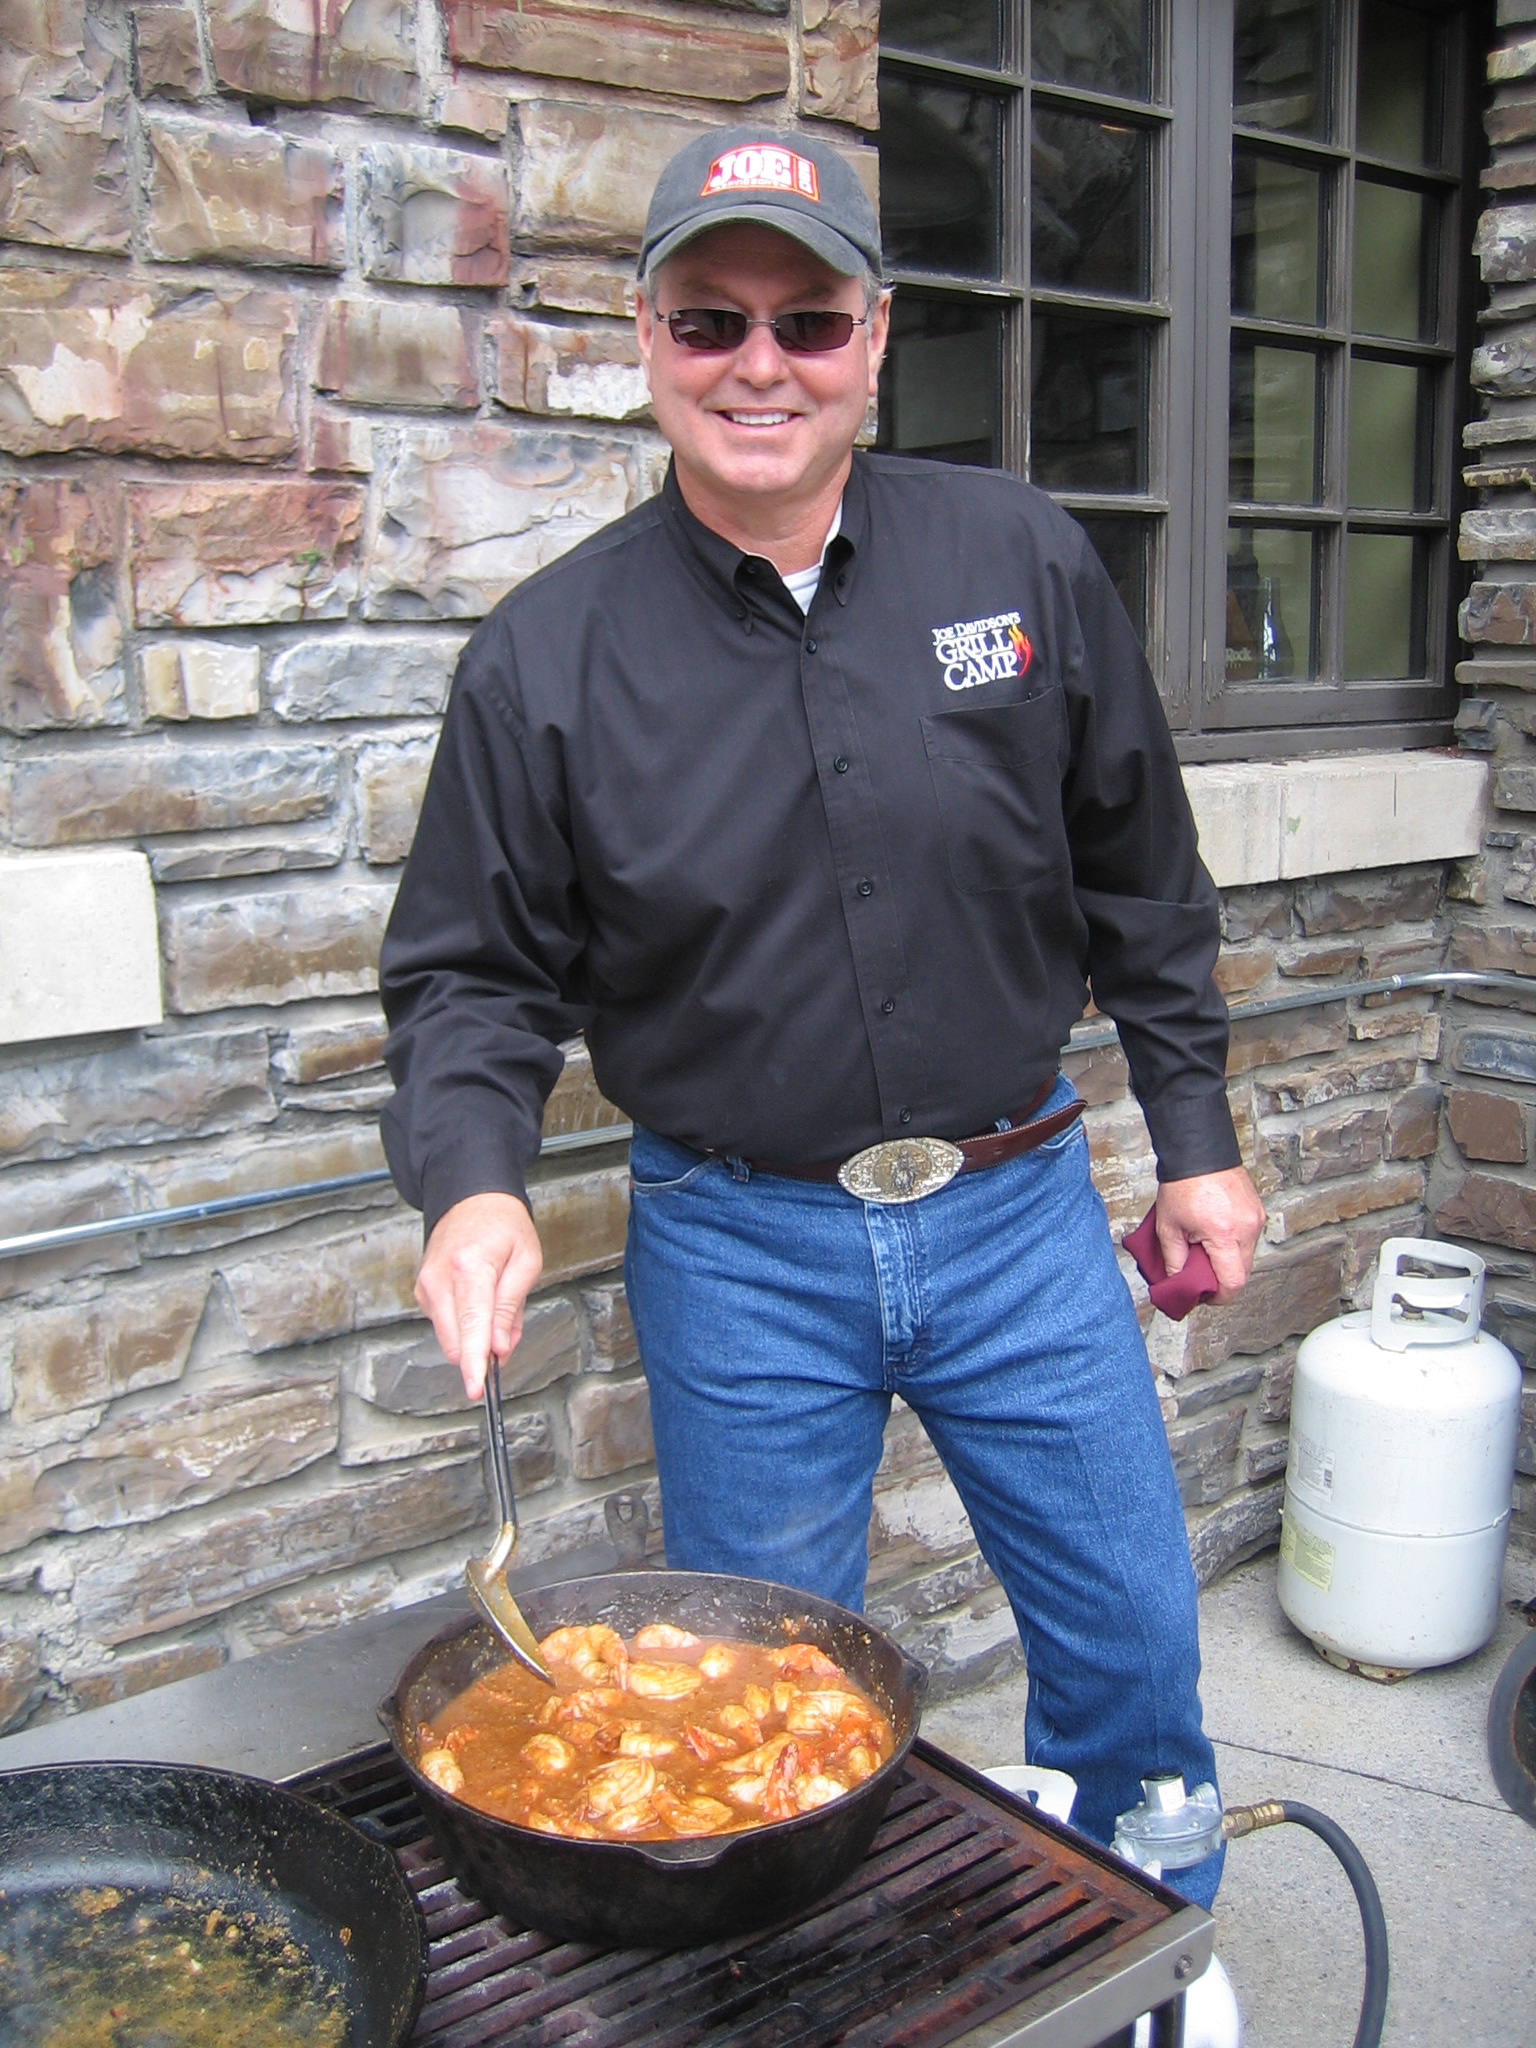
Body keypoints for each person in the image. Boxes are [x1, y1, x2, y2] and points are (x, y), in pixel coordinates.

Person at [379, 125, 1266, 1917]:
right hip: (738, 1244)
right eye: (712, 323)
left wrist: (1199, 1146)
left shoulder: (1015, 557)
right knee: (754, 1700)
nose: (760, 366)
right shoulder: (546, 660)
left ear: (877, 335)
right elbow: (472, 972)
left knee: (1130, 1628)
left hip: (1017, 1210)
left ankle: (1158, 1938)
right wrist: (473, 1184)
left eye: (807, 319)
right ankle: (799, 1974)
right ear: (647, 342)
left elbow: (1144, 873)